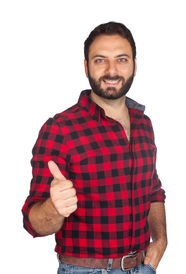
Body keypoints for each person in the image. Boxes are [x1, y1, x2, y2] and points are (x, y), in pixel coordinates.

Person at [22, 22, 167, 274]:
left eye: (121, 59)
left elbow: (153, 189)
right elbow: (33, 222)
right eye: (100, 60)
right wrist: (54, 208)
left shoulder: (144, 123)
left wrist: (161, 240)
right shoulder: (60, 128)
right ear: (86, 66)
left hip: (143, 266)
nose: (112, 70)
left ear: (135, 63)